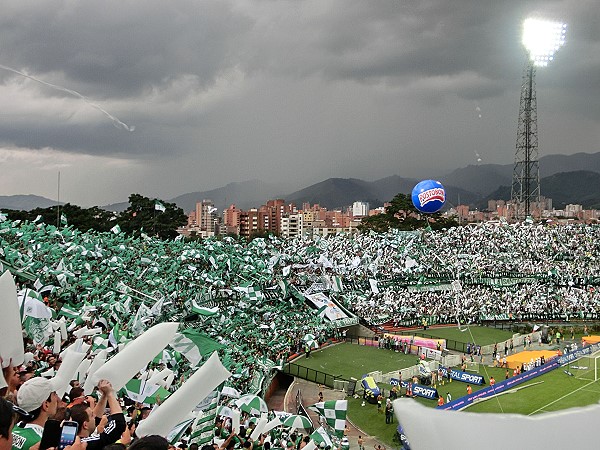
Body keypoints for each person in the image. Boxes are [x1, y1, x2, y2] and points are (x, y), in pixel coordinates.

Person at [69, 380, 125, 450]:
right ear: (85, 425)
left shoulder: (71, 442)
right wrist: (110, 393)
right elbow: (119, 425)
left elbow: (95, 419)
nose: (95, 416)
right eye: (92, 415)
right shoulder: (85, 444)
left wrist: (104, 395)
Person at [11, 377, 60, 450]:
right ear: (46, 405)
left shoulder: (11, 430)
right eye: (54, 394)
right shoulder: (41, 442)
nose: (58, 398)